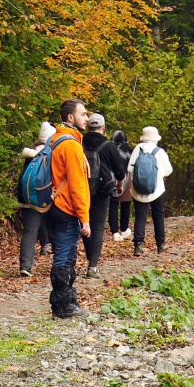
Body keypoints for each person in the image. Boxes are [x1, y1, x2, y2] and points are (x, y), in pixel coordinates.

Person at [44, 99, 93, 318]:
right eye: (83, 114)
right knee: (65, 256)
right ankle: (63, 306)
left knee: (65, 254)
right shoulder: (71, 145)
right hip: (66, 207)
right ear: (70, 118)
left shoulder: (54, 140)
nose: (87, 118)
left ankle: (66, 301)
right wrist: (85, 218)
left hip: (54, 204)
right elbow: (77, 185)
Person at [81, 113, 129, 278]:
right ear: (103, 127)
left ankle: (91, 257)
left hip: (82, 188)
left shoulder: (80, 142)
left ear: (87, 127)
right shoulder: (109, 146)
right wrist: (120, 186)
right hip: (102, 189)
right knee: (98, 227)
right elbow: (120, 171)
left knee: (84, 223)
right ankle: (92, 266)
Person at [16, 122, 55, 276]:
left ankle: (25, 266)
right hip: (48, 198)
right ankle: (61, 266)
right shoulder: (51, 154)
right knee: (55, 230)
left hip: (28, 199)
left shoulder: (30, 154)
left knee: (30, 232)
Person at [127, 126, 173, 256]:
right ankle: (161, 244)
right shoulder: (160, 152)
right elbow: (168, 170)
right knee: (158, 216)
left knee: (140, 217)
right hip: (157, 190)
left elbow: (130, 169)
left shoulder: (137, 149)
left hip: (137, 190)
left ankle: (138, 245)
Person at [109, 130, 133, 240]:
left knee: (113, 205)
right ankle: (124, 229)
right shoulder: (128, 150)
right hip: (126, 179)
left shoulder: (110, 148)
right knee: (125, 205)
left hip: (111, 179)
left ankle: (114, 232)